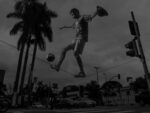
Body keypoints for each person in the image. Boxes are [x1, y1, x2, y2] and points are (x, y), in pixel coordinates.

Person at [51, 6, 108, 77]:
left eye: (73, 13)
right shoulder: (76, 22)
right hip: (76, 39)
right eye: (71, 14)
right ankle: (58, 66)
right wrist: (64, 27)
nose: (72, 15)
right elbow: (71, 26)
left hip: (81, 38)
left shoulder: (83, 17)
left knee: (75, 53)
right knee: (64, 49)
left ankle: (82, 72)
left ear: (77, 12)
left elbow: (91, 17)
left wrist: (97, 11)